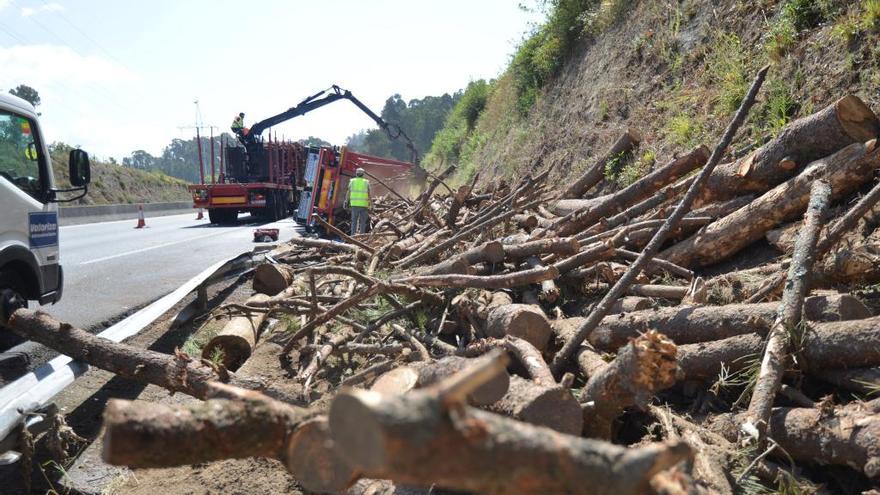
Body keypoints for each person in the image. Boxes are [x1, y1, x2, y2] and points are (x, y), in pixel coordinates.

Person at [346, 167, 371, 235]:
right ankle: (361, 236)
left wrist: (346, 201)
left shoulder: (352, 181)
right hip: (364, 205)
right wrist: (371, 204)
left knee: (354, 221)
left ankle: (352, 236)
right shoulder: (366, 182)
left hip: (354, 205)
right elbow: (369, 194)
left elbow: (348, 192)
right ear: (363, 174)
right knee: (363, 222)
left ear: (356, 174)